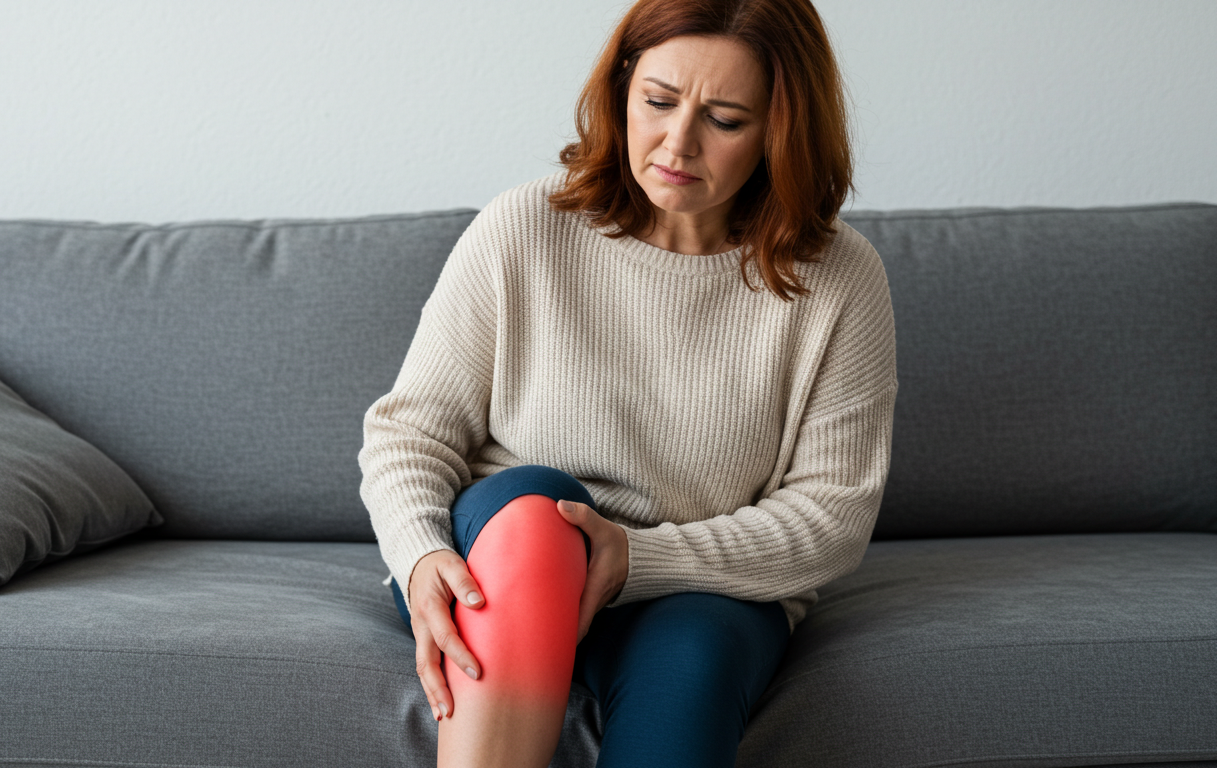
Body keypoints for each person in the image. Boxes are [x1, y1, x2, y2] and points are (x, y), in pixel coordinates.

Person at [358, 0, 896, 765]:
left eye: (725, 119)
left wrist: (636, 559)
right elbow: (410, 434)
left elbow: (832, 514)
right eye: (658, 101)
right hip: (509, 557)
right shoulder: (525, 228)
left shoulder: (840, 279)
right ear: (621, 90)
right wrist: (418, 556)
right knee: (541, 516)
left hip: (699, 586)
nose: (678, 143)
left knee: (694, 663)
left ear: (782, 130)